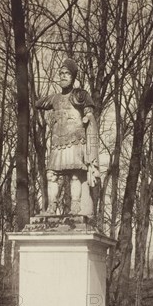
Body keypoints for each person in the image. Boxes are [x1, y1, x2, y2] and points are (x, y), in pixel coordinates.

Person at [36, 58, 100, 216]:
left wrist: (88, 117)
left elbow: (89, 111)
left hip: (75, 140)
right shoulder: (55, 98)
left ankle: (76, 207)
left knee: (74, 175)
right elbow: (38, 103)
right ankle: (51, 207)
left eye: (67, 74)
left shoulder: (80, 95)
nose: (63, 76)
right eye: (61, 73)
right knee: (51, 175)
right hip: (58, 142)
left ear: (73, 77)